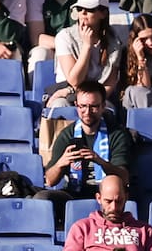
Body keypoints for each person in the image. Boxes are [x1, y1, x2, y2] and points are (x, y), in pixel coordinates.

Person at [38, 81, 134, 215]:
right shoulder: (67, 134)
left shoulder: (117, 134)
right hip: (73, 194)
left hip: (108, 197)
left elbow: (124, 177)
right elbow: (49, 180)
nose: (87, 112)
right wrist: (62, 162)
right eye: (83, 106)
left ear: (103, 106)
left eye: (93, 107)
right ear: (76, 105)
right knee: (42, 199)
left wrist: (99, 161)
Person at [48, 0, 123, 107]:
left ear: (103, 13)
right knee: (59, 105)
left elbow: (109, 84)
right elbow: (74, 80)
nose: (83, 13)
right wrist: (87, 46)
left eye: (90, 10)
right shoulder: (65, 36)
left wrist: (90, 102)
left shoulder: (114, 42)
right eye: (79, 9)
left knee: (107, 109)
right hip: (67, 95)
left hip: (97, 99)